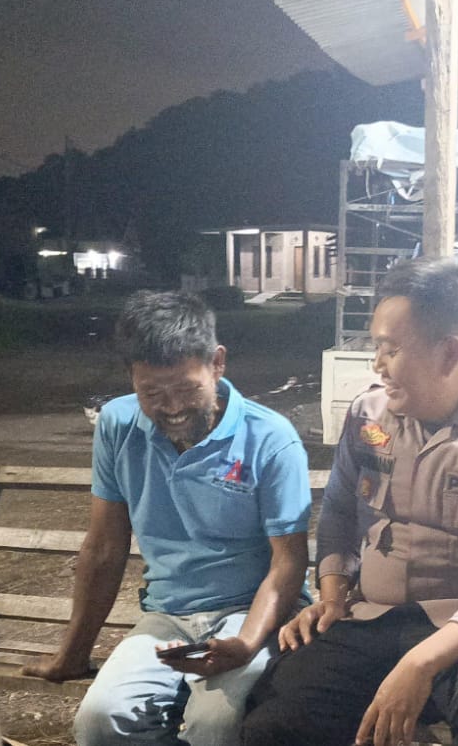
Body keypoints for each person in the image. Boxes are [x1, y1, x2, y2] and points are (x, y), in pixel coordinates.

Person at [241, 258, 458, 746]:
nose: (377, 364)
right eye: (377, 348)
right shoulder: (368, 416)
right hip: (373, 619)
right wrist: (332, 597)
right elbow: (339, 513)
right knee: (277, 715)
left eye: (391, 350)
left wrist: (420, 662)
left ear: (449, 353)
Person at [22, 290, 311, 746]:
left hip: (249, 614)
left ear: (217, 363)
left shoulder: (270, 438)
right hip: (168, 616)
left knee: (215, 724)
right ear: (132, 379)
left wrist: (245, 645)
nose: (172, 407)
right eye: (151, 393)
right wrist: (72, 655)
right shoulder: (118, 425)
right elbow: (104, 547)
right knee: (101, 721)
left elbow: (288, 562)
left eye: (186, 389)